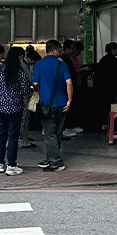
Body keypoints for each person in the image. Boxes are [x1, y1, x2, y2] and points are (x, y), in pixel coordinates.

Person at [33, 39, 72, 172]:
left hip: (46, 104)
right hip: (62, 104)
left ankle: (56, 162)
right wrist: (70, 100)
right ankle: (50, 157)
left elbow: (35, 84)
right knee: (57, 133)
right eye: (59, 50)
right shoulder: (62, 65)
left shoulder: (39, 64)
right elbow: (69, 83)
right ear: (55, 50)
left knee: (49, 134)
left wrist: (38, 88)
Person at [0, 46, 32, 175]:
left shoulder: (1, 68)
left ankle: (0, 164)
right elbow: (25, 89)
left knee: (1, 136)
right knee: (13, 136)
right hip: (15, 107)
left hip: (1, 107)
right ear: (19, 56)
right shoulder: (20, 70)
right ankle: (11, 165)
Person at [95, 42, 117, 128]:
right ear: (113, 50)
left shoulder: (102, 60)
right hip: (114, 88)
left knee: (105, 106)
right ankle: (114, 124)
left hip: (103, 88)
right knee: (114, 106)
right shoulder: (115, 61)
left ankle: (105, 123)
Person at [61, 40, 86, 138]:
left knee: (72, 107)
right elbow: (70, 73)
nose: (73, 50)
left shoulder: (68, 58)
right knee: (68, 107)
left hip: (72, 85)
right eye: (71, 48)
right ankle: (65, 127)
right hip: (68, 86)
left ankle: (70, 126)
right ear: (66, 48)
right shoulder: (64, 59)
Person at [20, 48, 42, 148]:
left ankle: (10, 140)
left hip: (9, 99)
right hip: (24, 95)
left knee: (13, 119)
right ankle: (25, 140)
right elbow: (31, 78)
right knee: (24, 118)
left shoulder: (4, 67)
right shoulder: (23, 66)